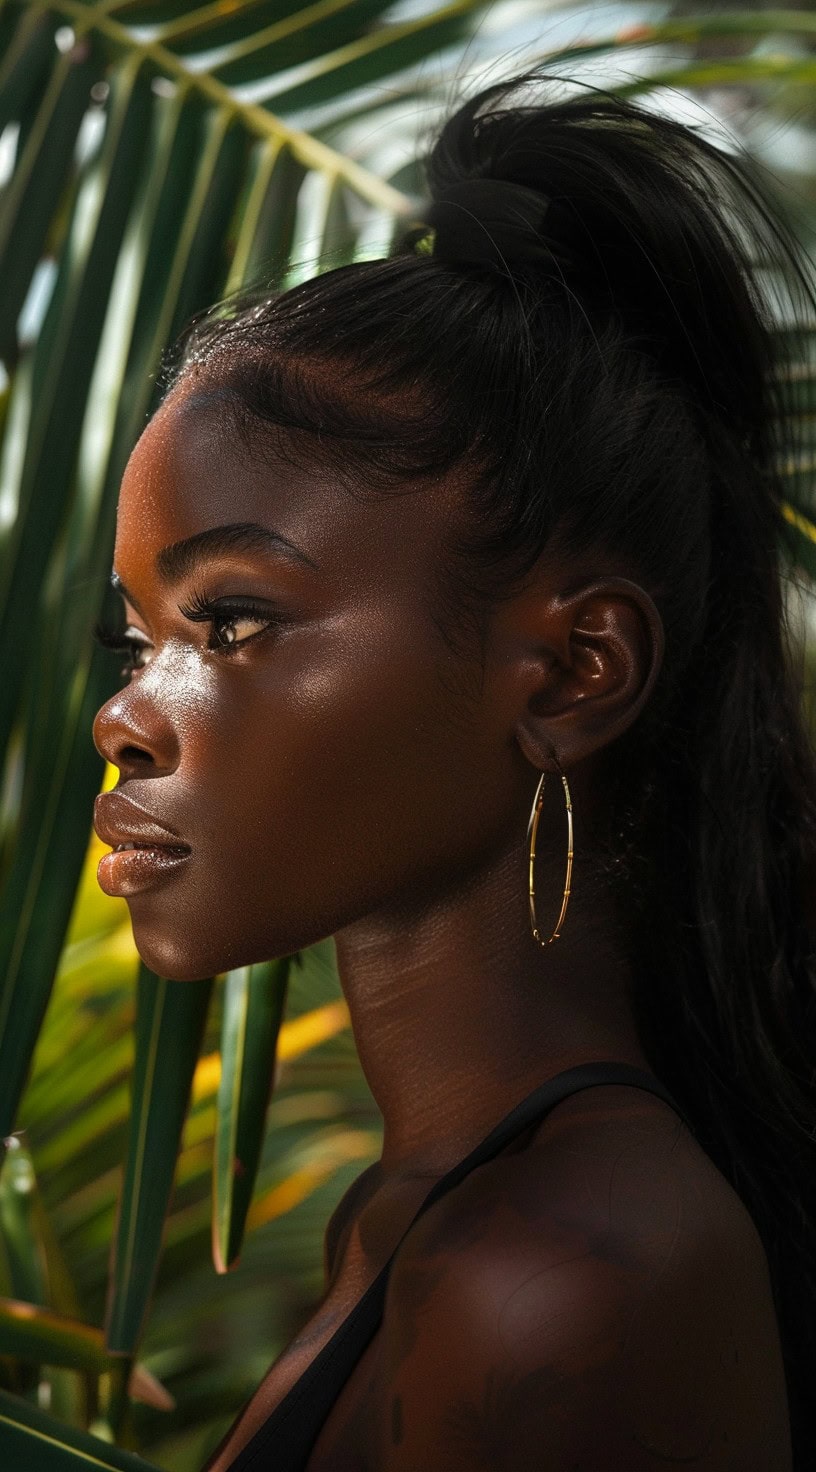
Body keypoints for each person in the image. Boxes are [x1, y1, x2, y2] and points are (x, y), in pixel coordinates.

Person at [90, 73, 816, 1471]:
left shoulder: (562, 1281)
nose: (128, 715)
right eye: (137, 637)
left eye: (229, 620)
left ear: (570, 674)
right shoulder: (430, 1222)